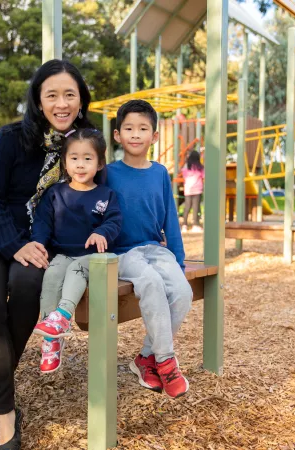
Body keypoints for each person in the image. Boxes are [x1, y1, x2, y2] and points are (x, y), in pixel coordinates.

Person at [0, 59, 94, 450]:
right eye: (51, 95)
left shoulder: (85, 145)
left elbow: (99, 201)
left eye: (69, 94)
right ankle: (8, 410)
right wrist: (14, 245)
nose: (61, 103)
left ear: (81, 100)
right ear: (38, 102)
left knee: (25, 292)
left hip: (40, 246)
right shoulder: (9, 138)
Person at [107, 100, 193, 399]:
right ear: (117, 135)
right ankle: (166, 361)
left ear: (154, 136)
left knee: (183, 292)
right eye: (128, 128)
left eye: (143, 128)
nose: (135, 134)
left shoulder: (160, 174)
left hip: (153, 249)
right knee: (151, 283)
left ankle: (145, 358)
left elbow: (170, 219)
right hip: (120, 252)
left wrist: (178, 263)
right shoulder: (107, 173)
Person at [30, 129, 121, 373]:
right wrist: (39, 243)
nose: (80, 165)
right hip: (62, 253)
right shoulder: (55, 194)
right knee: (51, 277)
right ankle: (51, 339)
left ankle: (63, 314)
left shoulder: (106, 195)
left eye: (88, 158)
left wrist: (102, 232)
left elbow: (114, 221)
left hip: (94, 258)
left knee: (76, 269)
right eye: (74, 158)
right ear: (65, 162)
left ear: (100, 163)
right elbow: (42, 223)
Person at [181, 149, 204, 233]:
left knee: (187, 207)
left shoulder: (187, 166)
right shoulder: (200, 167)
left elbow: (183, 174)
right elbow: (203, 175)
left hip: (188, 189)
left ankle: (184, 225)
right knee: (195, 207)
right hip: (197, 189)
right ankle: (195, 225)